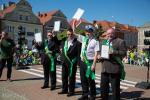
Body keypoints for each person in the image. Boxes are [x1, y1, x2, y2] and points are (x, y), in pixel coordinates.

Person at [100, 28, 127, 100]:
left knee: (115, 90)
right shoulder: (104, 41)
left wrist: (114, 51)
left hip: (114, 69)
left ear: (114, 33)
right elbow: (102, 52)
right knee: (103, 89)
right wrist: (100, 56)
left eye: (111, 33)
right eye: (108, 33)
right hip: (104, 69)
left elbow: (124, 53)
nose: (109, 35)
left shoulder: (120, 41)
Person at [76, 25, 99, 100]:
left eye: (89, 31)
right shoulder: (83, 39)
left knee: (90, 80)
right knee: (83, 79)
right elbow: (74, 33)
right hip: (82, 62)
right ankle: (85, 94)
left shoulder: (95, 41)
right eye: (86, 31)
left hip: (90, 62)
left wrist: (94, 65)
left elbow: (96, 53)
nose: (87, 33)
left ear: (92, 32)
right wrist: (74, 25)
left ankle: (93, 95)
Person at [58, 28, 81, 97]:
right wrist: (61, 51)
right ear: (66, 34)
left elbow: (78, 54)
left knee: (71, 77)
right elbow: (61, 49)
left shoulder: (77, 42)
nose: (69, 35)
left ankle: (71, 91)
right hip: (64, 62)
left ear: (73, 34)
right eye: (68, 34)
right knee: (64, 77)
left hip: (72, 63)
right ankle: (64, 89)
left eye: (71, 34)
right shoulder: (64, 41)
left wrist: (78, 63)